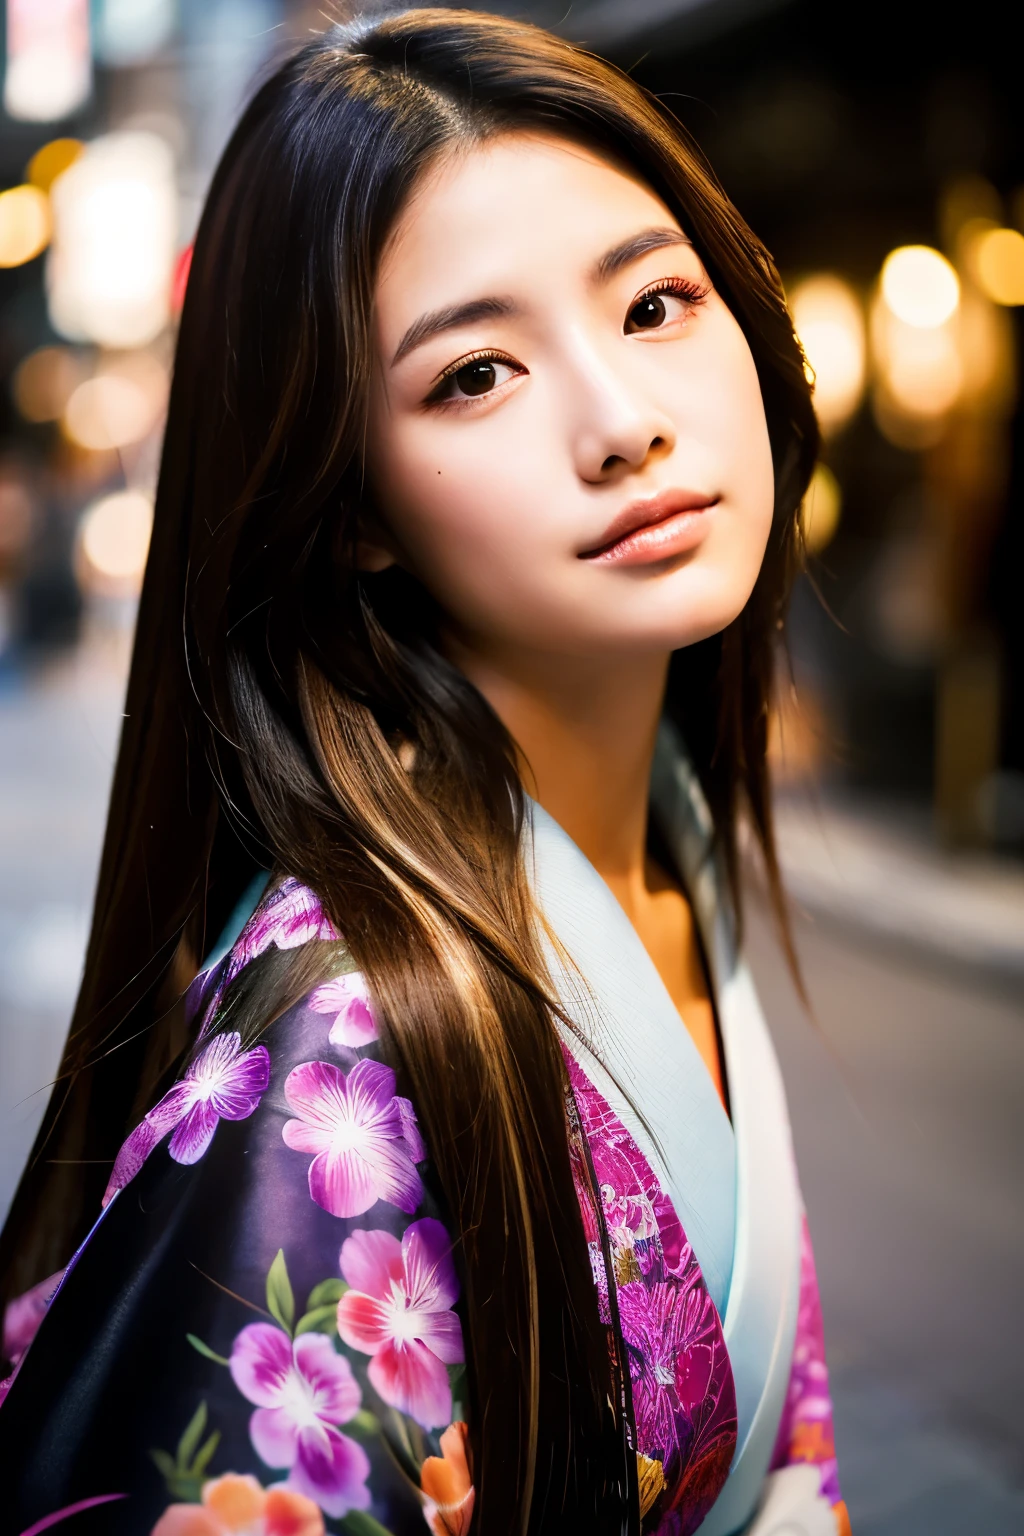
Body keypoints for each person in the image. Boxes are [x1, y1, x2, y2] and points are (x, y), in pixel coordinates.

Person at [0, 10, 850, 1534]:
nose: (625, 424)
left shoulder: (670, 832)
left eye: (656, 303)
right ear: (349, 506)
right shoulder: (343, 1049)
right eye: (475, 375)